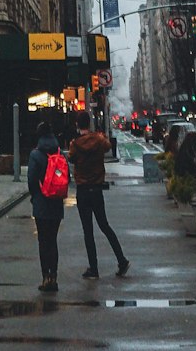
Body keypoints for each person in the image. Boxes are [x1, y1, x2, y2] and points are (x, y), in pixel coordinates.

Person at [69, 112, 128, 279]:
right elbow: (108, 146)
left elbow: (71, 158)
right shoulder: (99, 140)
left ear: (77, 125)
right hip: (96, 189)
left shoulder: (75, 144)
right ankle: (121, 259)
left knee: (88, 231)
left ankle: (93, 268)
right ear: (90, 123)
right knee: (105, 226)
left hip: (82, 189)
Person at [26, 120, 65, 293]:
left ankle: (45, 277)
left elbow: (31, 180)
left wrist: (35, 196)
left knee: (43, 241)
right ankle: (54, 276)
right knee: (53, 241)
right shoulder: (59, 152)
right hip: (56, 203)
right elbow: (66, 176)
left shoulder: (35, 154)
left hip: (41, 203)